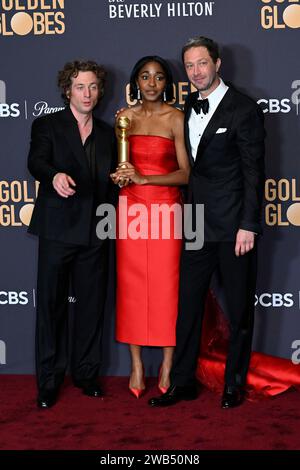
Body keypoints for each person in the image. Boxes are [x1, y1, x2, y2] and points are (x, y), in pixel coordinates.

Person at [149, 36, 265, 408]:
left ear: (217, 64)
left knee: (238, 308)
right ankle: (182, 382)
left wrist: (249, 224)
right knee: (188, 306)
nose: (196, 72)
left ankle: (233, 383)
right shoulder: (188, 104)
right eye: (190, 66)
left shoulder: (243, 109)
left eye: (202, 63)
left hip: (234, 227)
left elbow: (253, 172)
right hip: (196, 224)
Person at [28, 60, 117, 409]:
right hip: (57, 229)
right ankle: (49, 381)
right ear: (68, 90)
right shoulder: (47, 124)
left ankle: (86, 374)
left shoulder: (110, 133)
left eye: (93, 87)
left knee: (92, 306)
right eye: (80, 87)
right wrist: (53, 177)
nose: (87, 94)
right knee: (51, 307)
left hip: (96, 231)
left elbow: (112, 182)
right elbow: (36, 162)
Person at [111, 56, 190, 398]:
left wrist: (145, 177)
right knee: (131, 286)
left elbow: (186, 173)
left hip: (166, 208)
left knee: (167, 286)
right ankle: (137, 365)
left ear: (167, 83)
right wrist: (119, 177)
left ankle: (169, 363)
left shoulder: (175, 117)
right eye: (145, 76)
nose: (152, 83)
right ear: (136, 82)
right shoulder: (124, 119)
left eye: (158, 77)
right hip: (130, 208)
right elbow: (121, 168)